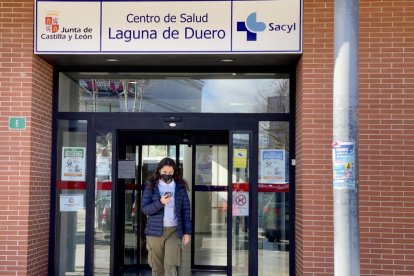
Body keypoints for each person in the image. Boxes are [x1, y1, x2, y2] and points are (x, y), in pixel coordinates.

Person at [141, 157, 192, 276]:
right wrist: (160, 202)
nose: (167, 175)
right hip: (155, 231)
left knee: (171, 265)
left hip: (174, 230)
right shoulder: (151, 185)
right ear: (159, 171)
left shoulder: (180, 187)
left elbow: (185, 210)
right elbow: (145, 209)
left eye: (170, 172)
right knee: (157, 268)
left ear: (174, 172)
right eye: (165, 172)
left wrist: (187, 232)